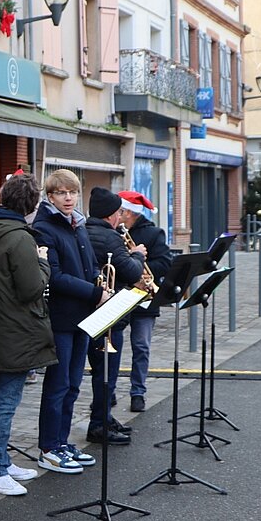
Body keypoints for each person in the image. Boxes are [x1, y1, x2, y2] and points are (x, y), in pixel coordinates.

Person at [0, 175, 54, 495]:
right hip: (13, 329)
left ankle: (0, 459)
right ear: (31, 204)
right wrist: (43, 263)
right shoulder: (18, 237)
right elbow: (31, 288)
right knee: (5, 399)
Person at [33, 170, 106, 475]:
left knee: (73, 384)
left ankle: (62, 442)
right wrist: (95, 292)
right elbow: (56, 277)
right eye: (61, 193)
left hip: (83, 317)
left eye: (73, 192)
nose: (68, 198)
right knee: (58, 385)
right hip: (61, 318)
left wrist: (99, 279)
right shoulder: (44, 228)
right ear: (50, 197)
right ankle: (48, 447)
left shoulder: (78, 224)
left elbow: (89, 266)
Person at [82, 187, 148, 446]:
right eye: (119, 212)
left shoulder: (84, 230)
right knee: (106, 374)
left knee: (101, 372)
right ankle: (99, 424)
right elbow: (132, 272)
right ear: (110, 215)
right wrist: (138, 255)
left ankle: (104, 418)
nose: (121, 217)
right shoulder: (110, 238)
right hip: (108, 316)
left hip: (90, 312)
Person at [118, 191, 171, 413]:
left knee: (141, 346)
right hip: (120, 295)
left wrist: (140, 268)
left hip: (145, 296)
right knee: (112, 346)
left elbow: (165, 263)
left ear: (130, 213)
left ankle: (137, 392)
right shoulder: (113, 231)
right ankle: (107, 392)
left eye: (120, 211)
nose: (117, 214)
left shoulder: (154, 233)